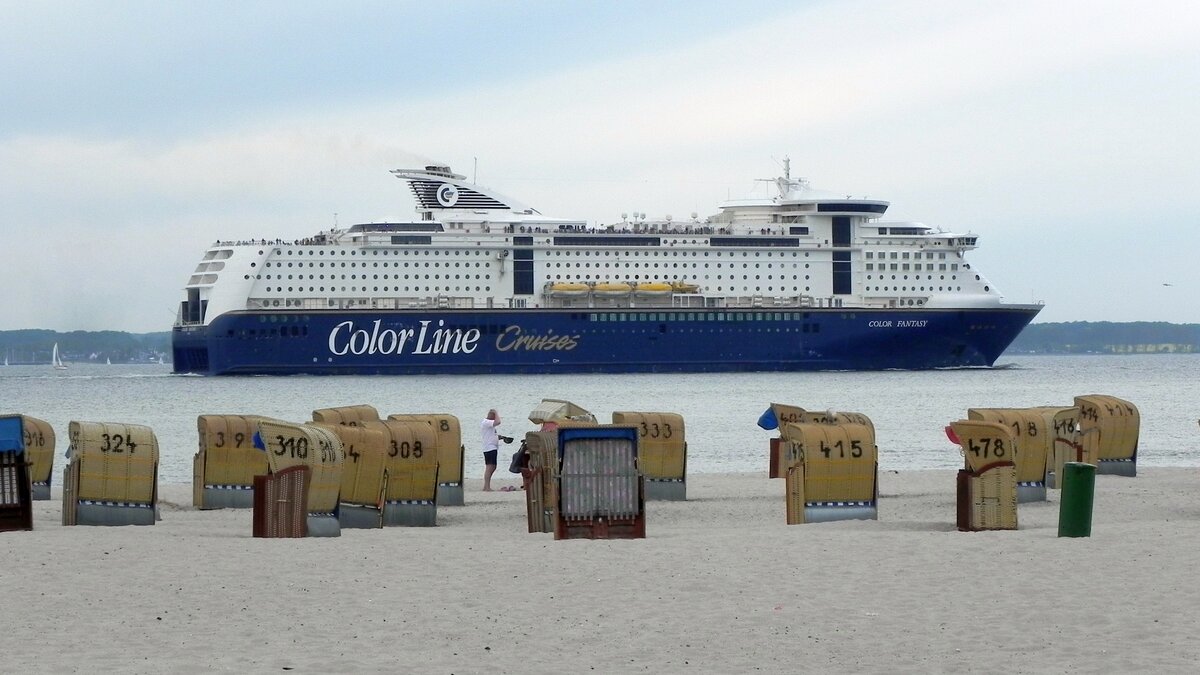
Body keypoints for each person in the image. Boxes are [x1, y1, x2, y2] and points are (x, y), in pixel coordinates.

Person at [481, 409, 501, 491]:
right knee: (490, 467)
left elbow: (491, 435)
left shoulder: (489, 425)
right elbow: (498, 422)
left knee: (493, 466)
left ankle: (486, 486)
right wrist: (496, 412)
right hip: (489, 448)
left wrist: (500, 437)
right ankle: (486, 486)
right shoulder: (486, 422)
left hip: (491, 447)